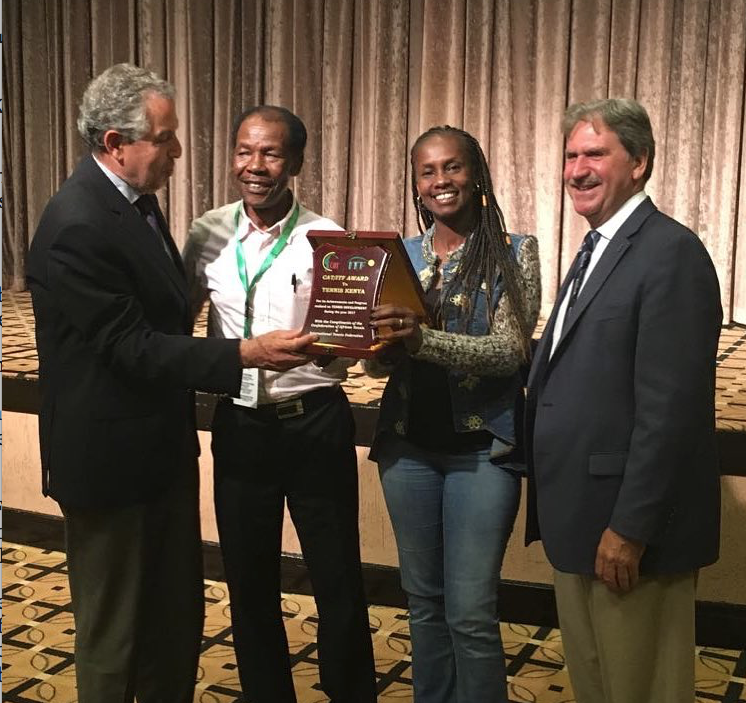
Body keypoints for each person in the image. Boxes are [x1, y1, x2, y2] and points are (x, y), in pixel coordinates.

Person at [25, 64, 316, 703]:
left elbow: (166, 312)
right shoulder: (77, 223)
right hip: (109, 467)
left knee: (172, 624)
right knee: (115, 639)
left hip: (158, 455)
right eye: (165, 138)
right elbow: (131, 348)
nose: (178, 151)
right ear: (114, 144)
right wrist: (243, 351)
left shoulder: (136, 203)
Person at [525, 99, 722, 703]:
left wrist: (630, 527)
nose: (577, 170)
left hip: (627, 530)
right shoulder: (598, 249)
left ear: (638, 162)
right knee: (597, 681)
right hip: (581, 514)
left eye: (595, 154)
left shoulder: (670, 253)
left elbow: (671, 411)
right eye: (570, 155)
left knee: (642, 686)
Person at [182, 105, 377, 703]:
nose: (255, 166)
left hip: (314, 422)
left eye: (270, 154)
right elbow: (178, 321)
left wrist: (326, 352)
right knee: (248, 580)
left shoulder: (330, 237)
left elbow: (350, 345)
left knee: (337, 576)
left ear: (294, 162)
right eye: (245, 151)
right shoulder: (206, 232)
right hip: (240, 427)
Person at [366, 125, 541, 703]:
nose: (441, 181)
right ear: (415, 185)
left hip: (482, 453)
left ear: (477, 173)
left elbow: (509, 352)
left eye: (453, 167)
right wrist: (372, 349)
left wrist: (420, 342)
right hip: (407, 449)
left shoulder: (516, 252)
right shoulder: (398, 256)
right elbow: (383, 369)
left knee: (469, 612)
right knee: (423, 606)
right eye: (427, 171)